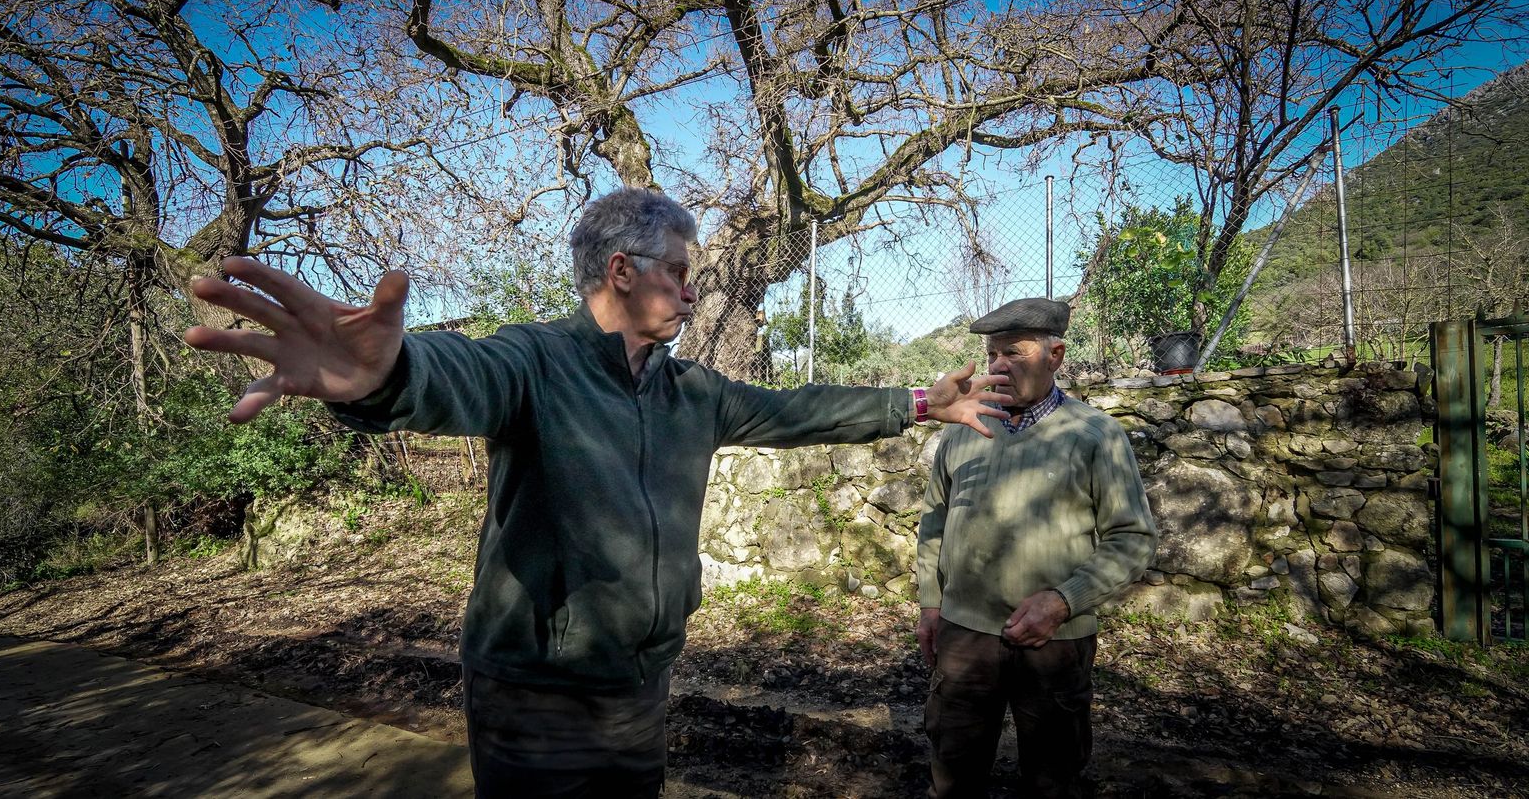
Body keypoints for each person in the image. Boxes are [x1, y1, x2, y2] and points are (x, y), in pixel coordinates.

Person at [183, 187, 1013, 798]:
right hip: (533, 692)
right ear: (623, 270)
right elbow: (459, 374)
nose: (692, 291)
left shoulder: (692, 390)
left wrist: (918, 404)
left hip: (639, 684)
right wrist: (386, 375)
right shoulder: (535, 362)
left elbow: (796, 409)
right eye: (680, 274)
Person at [914, 297, 1158, 799]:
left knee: (1054, 776)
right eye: (992, 354)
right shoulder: (964, 431)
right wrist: (931, 604)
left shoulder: (1095, 434)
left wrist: (1063, 601)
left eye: (1015, 353)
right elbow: (934, 520)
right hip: (964, 635)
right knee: (953, 771)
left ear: (1056, 356)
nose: (999, 365)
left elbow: (1133, 538)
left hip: (1055, 642)